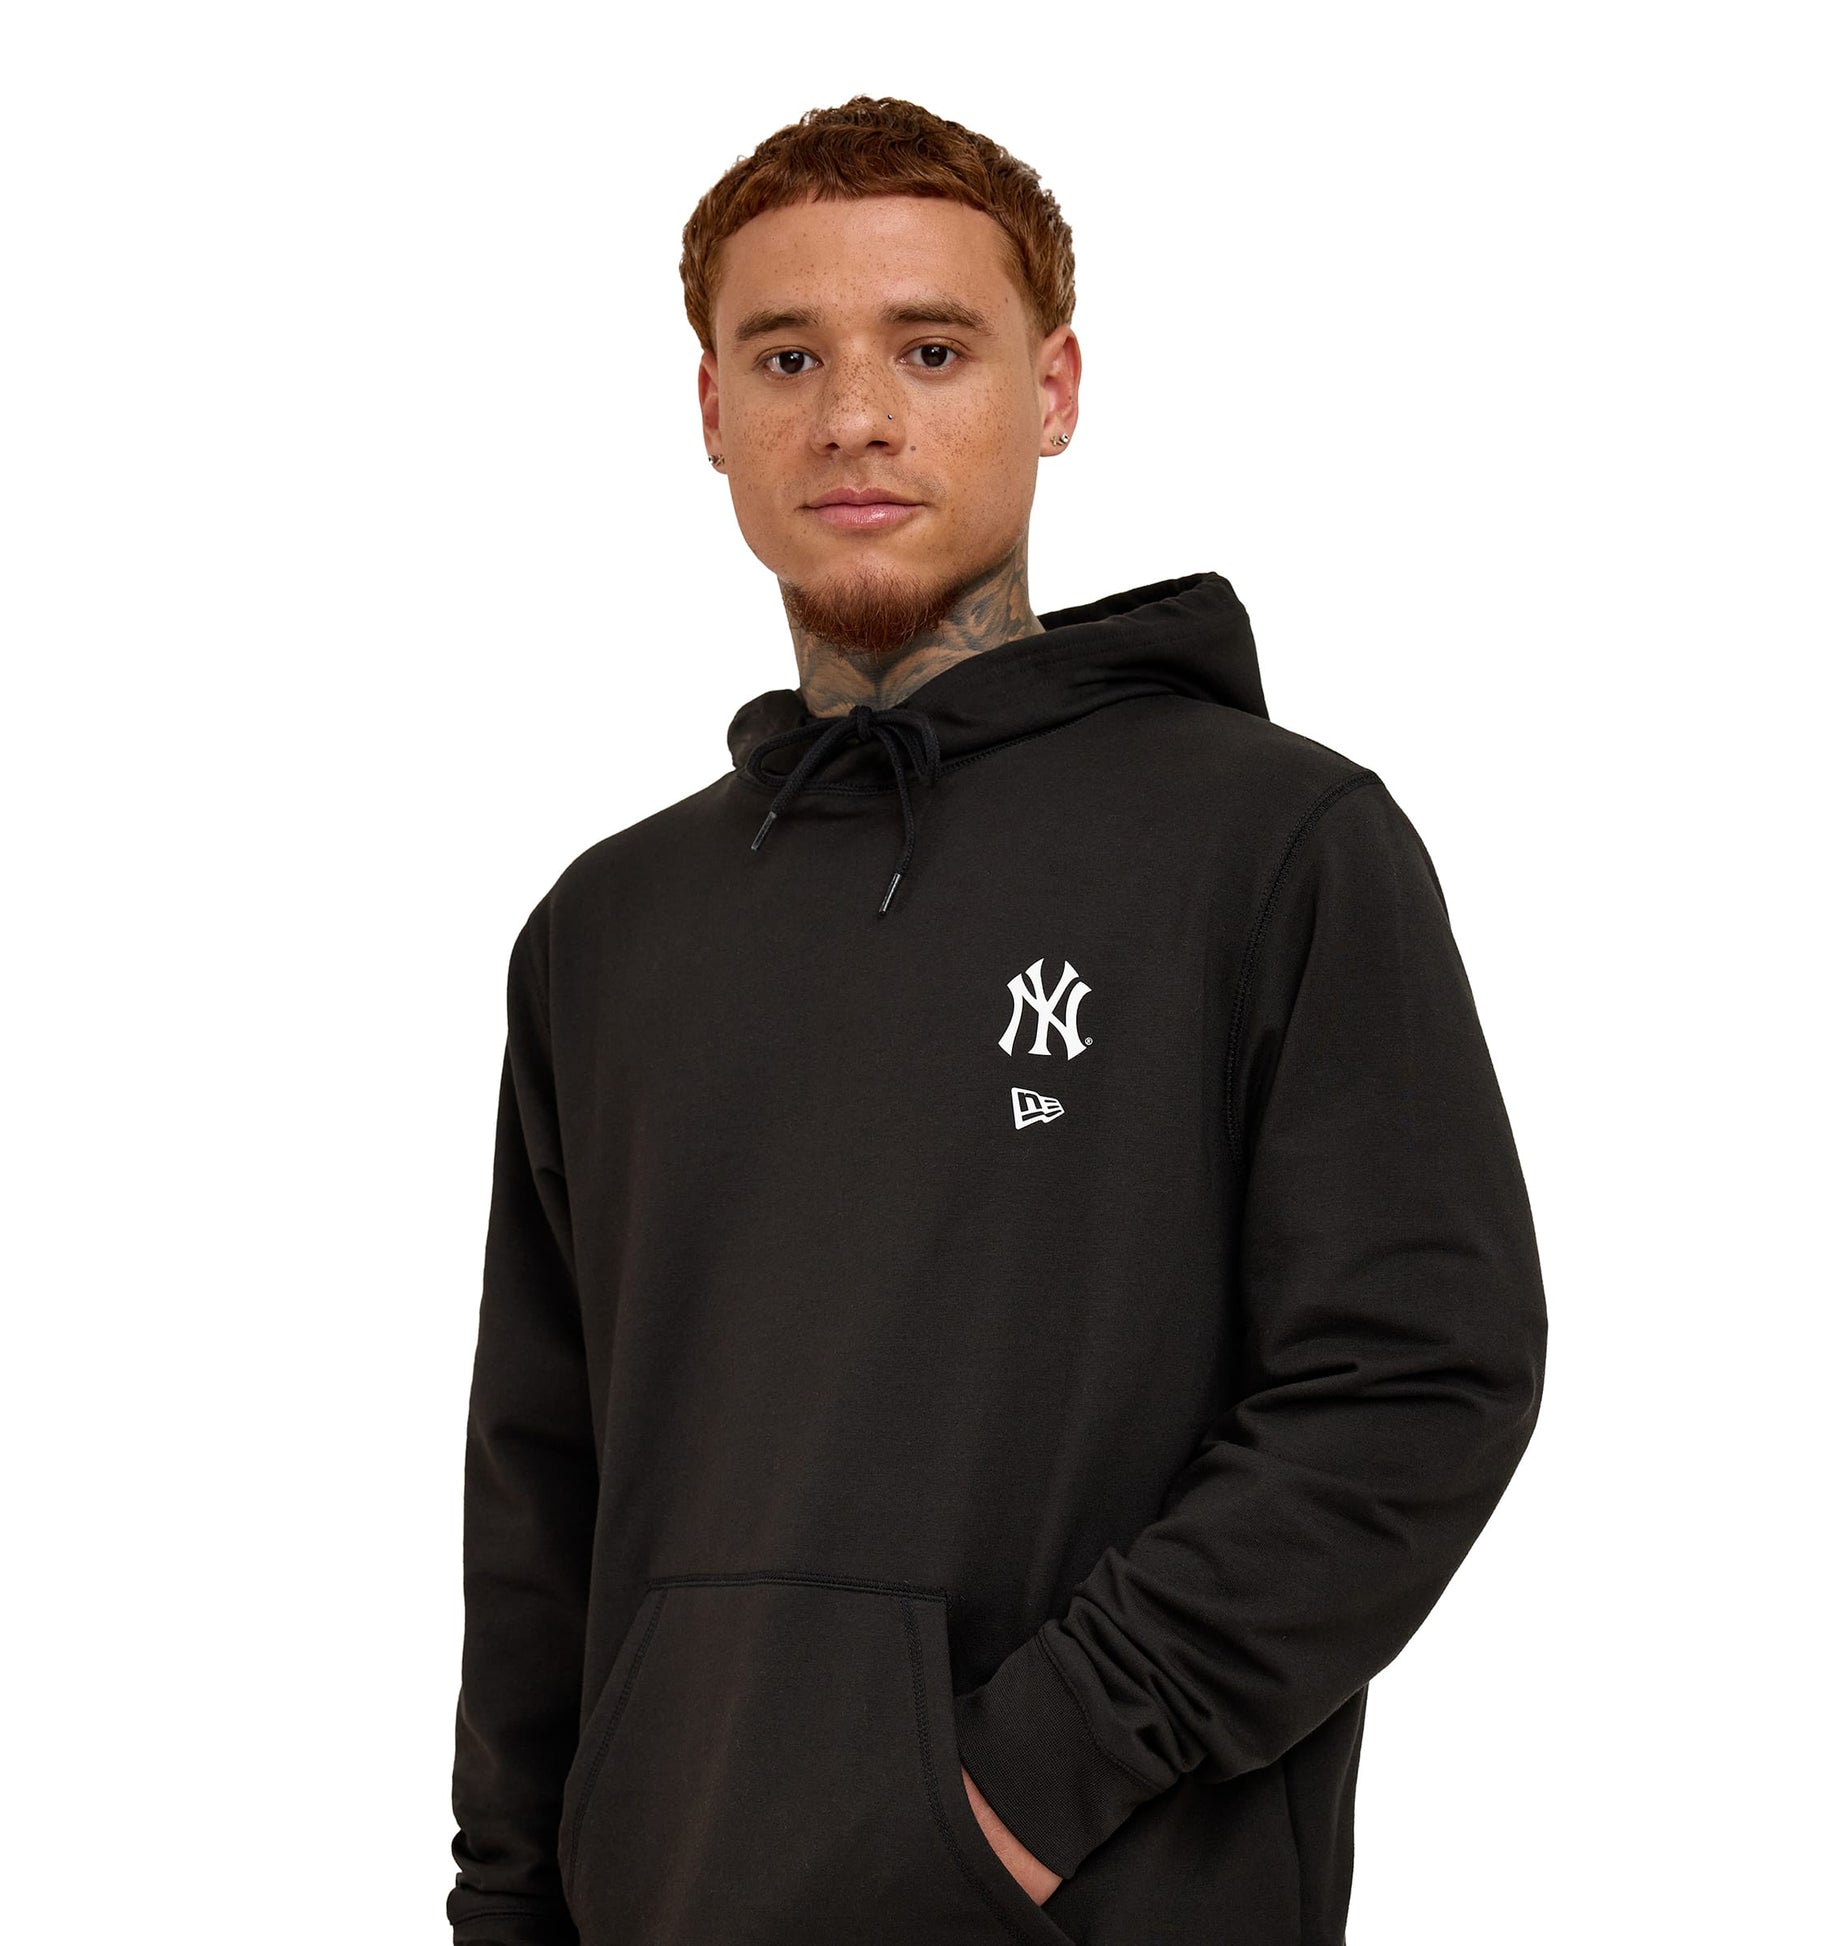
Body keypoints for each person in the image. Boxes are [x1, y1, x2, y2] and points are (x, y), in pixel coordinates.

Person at [445, 94, 1548, 1946]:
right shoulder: (607, 929)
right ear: (710, 409)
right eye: (785, 355)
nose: (853, 416)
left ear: (1053, 389)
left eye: (931, 348)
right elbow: (539, 1487)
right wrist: (508, 1906)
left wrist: (1024, 1785)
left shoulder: (1271, 844)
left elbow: (1417, 1381)